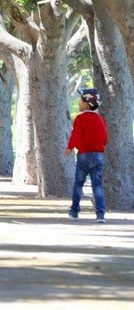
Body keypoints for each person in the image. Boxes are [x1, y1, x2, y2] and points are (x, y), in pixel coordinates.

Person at [65, 88, 108, 223]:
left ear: (87, 104)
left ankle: (74, 211)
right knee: (97, 185)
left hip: (83, 155)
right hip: (98, 155)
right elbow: (105, 137)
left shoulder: (80, 118)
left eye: (81, 100)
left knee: (78, 183)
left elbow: (76, 134)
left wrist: (70, 147)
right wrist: (100, 147)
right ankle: (100, 214)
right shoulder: (101, 119)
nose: (79, 102)